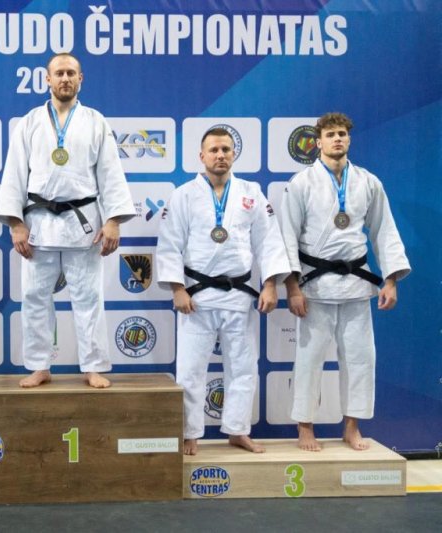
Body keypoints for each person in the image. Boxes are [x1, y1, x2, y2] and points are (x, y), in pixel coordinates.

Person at [0, 53, 135, 389]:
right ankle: (39, 365)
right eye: (59, 73)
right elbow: (15, 173)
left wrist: (113, 220)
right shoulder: (29, 122)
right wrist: (16, 223)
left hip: (83, 223)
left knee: (89, 298)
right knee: (34, 297)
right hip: (38, 223)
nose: (65, 79)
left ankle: (93, 366)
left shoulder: (95, 122)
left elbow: (110, 173)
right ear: (47, 79)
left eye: (71, 73)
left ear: (80, 79)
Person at [279, 112, 410, 451]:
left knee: (360, 358)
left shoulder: (368, 182)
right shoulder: (302, 183)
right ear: (318, 142)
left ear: (349, 139)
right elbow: (286, 235)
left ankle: (351, 427)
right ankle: (305, 427)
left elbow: (384, 231)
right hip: (315, 286)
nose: (337, 139)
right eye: (330, 134)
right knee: (309, 360)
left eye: (342, 134)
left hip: (355, 284)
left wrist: (391, 280)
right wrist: (292, 287)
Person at [156, 128, 291, 456]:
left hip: (239, 294)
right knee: (190, 369)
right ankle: (189, 433)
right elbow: (170, 244)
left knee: (244, 367)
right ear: (201, 156)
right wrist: (177, 288)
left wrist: (269, 284)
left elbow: (268, 241)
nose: (220, 155)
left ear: (234, 154)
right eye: (214, 150)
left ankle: (238, 430)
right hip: (197, 296)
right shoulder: (184, 195)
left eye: (226, 150)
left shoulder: (251, 193)